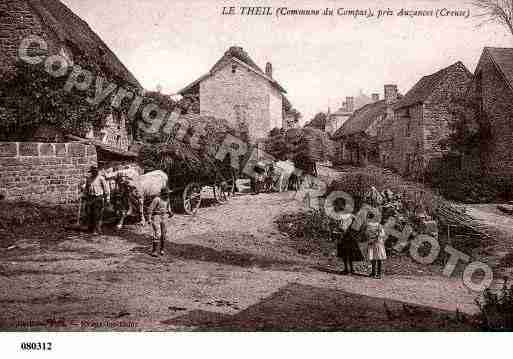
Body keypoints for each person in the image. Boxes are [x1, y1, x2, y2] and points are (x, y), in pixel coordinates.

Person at [331, 199, 364, 274]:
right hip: (346, 235)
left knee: (348, 252)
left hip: (348, 235)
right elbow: (340, 226)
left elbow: (358, 224)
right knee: (345, 253)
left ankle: (349, 269)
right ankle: (348, 269)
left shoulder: (349, 216)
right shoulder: (343, 216)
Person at [84, 166, 110, 234]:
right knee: (90, 213)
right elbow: (86, 188)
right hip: (90, 197)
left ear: (97, 172)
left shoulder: (101, 178)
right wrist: (84, 195)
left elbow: (106, 189)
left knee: (97, 214)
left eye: (95, 171)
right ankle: (91, 227)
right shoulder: (89, 179)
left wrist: (106, 198)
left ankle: (97, 229)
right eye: (92, 171)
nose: (94, 173)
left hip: (98, 197)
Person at [148, 188, 173, 257]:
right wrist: (149, 219)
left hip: (164, 217)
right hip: (157, 216)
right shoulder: (157, 199)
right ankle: (154, 251)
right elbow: (150, 209)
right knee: (157, 233)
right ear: (163, 194)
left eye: (168, 194)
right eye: (166, 194)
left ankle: (162, 249)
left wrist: (170, 212)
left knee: (164, 234)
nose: (167, 195)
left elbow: (168, 208)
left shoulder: (167, 200)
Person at [363, 211, 387, 279]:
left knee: (373, 257)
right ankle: (378, 273)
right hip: (378, 242)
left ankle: (374, 273)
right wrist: (377, 236)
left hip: (373, 242)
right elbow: (383, 234)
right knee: (378, 258)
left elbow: (366, 234)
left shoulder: (369, 225)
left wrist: (371, 238)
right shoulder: (379, 225)